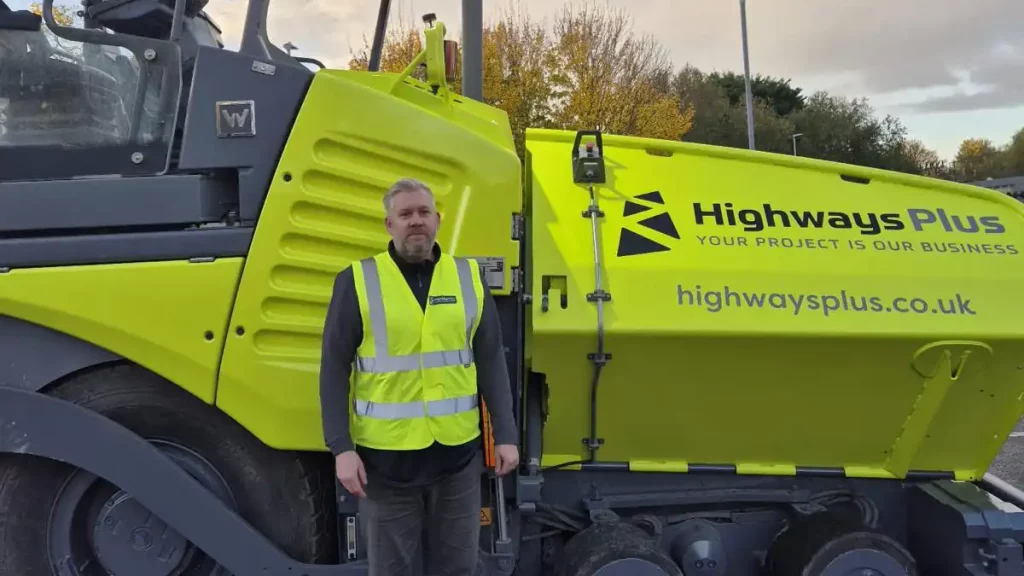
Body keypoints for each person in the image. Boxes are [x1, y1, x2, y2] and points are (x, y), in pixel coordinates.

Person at [319, 177, 519, 576]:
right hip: (386, 468)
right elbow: (333, 367)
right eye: (405, 214)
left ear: (438, 221)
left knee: (458, 569)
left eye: (423, 212)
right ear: (389, 225)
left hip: (457, 461)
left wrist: (507, 436)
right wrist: (341, 447)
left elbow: (491, 360)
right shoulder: (358, 280)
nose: (416, 221)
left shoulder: (467, 278)